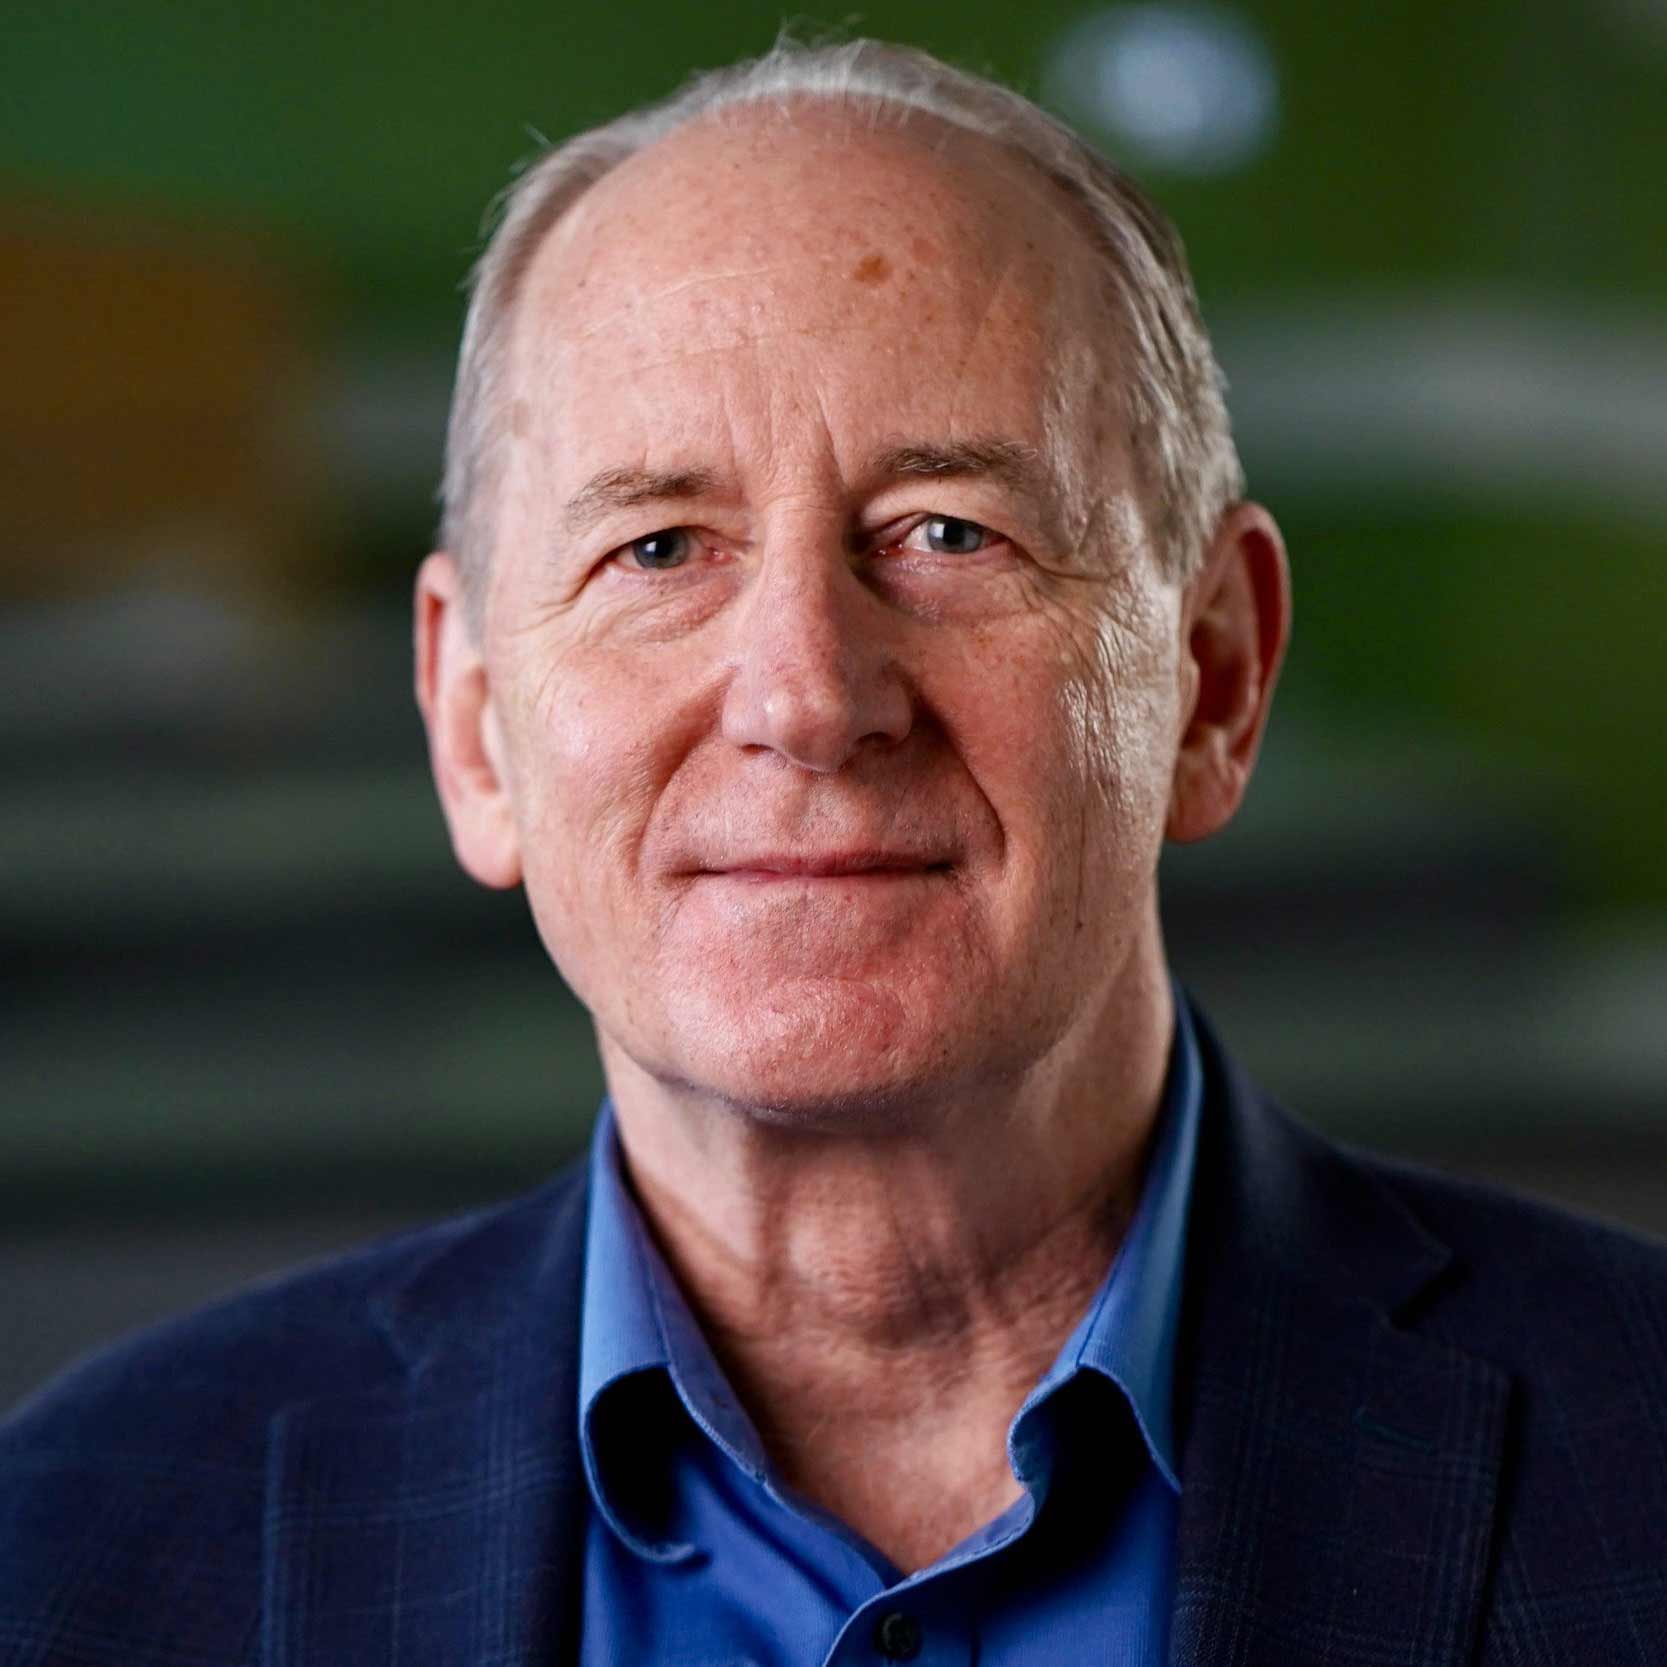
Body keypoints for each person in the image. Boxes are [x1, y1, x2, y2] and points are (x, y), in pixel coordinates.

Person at [3, 37, 1665, 1667]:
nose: (806, 698)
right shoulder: (77, 1548)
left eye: (949, 532)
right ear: (471, 722)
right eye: (661, 549)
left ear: (1213, 676)